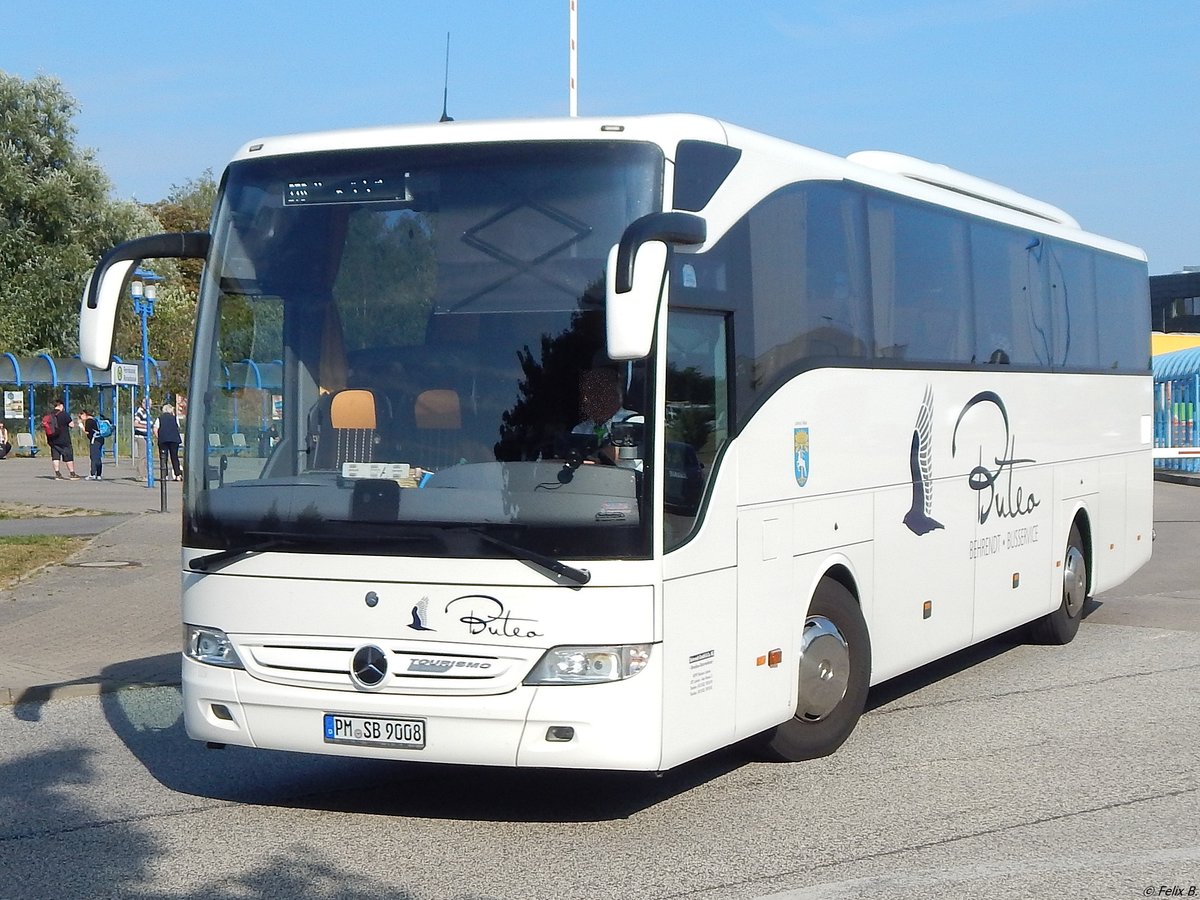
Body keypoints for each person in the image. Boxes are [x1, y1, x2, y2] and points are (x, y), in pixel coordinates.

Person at [571, 364, 643, 469]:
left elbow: (637, 469)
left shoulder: (635, 422)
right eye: (585, 393)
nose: (586, 399)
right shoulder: (580, 430)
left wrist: (603, 458)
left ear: (616, 393)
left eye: (594, 392)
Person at [47, 399, 79, 480]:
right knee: (68, 456)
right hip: (64, 439)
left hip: (52, 439)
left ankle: (57, 474)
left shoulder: (50, 414)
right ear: (61, 405)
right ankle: (72, 473)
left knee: (55, 457)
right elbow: (71, 425)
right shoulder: (64, 414)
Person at [153, 402, 183, 480]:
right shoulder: (175, 418)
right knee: (174, 457)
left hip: (163, 439)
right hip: (174, 439)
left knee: (163, 458)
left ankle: (164, 475)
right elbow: (178, 427)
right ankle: (178, 475)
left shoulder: (159, 418)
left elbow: (155, 429)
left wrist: (158, 437)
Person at [80, 410, 105, 480]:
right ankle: (99, 474)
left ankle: (93, 474)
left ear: (84, 414)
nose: (80, 418)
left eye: (80, 416)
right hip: (100, 439)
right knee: (98, 456)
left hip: (95, 440)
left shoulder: (89, 421)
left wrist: (82, 427)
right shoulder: (95, 419)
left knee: (93, 457)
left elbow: (87, 432)